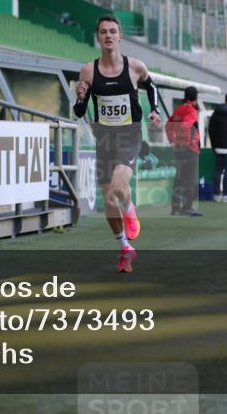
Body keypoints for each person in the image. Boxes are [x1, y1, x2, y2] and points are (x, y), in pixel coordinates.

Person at [74, 14, 161, 273]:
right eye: (103, 32)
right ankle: (125, 248)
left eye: (113, 31)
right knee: (109, 201)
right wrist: (80, 98)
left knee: (118, 189)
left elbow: (152, 86)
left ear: (120, 36)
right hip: (104, 138)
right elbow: (80, 112)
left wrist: (154, 110)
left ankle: (129, 207)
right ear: (98, 38)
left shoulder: (135, 67)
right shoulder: (88, 70)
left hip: (129, 135)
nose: (108, 35)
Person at [166, 86, 202, 216]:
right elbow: (185, 126)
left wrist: (173, 140)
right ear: (195, 97)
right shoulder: (191, 111)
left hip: (179, 150)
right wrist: (186, 143)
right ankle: (187, 207)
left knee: (179, 178)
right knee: (190, 180)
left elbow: (168, 125)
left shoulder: (179, 109)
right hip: (189, 150)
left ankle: (175, 208)